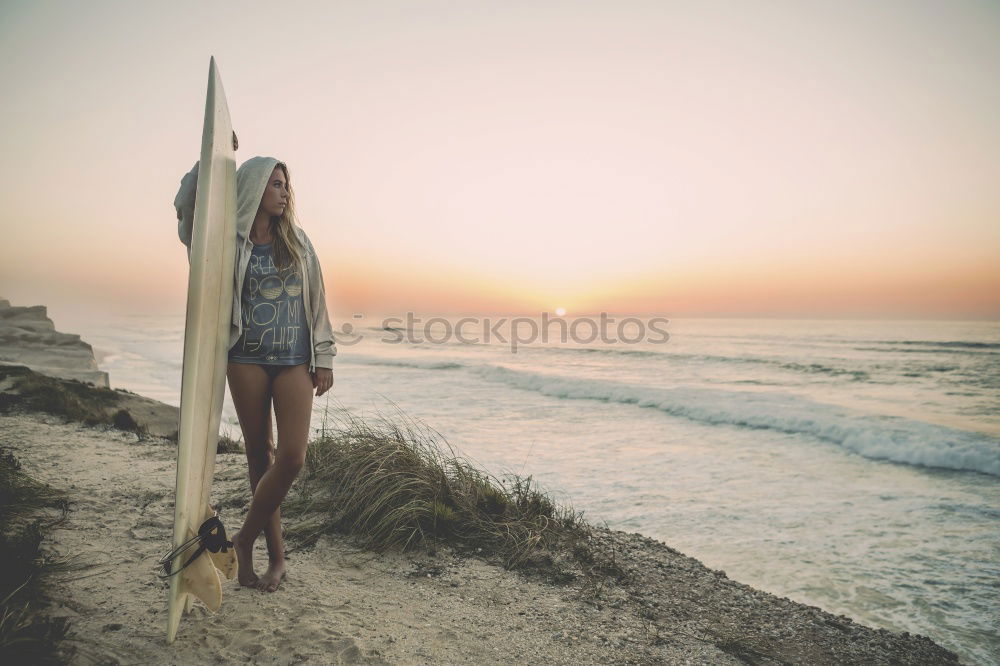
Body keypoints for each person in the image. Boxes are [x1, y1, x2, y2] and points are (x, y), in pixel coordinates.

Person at [173, 135, 336, 592]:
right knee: (258, 457)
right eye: (277, 184)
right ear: (256, 186)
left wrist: (324, 357)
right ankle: (277, 560)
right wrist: (213, 153)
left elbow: (318, 304)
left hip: (293, 360)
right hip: (245, 357)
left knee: (292, 457)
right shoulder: (228, 243)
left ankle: (243, 541)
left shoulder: (298, 243)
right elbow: (186, 209)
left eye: (287, 186)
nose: (285, 193)